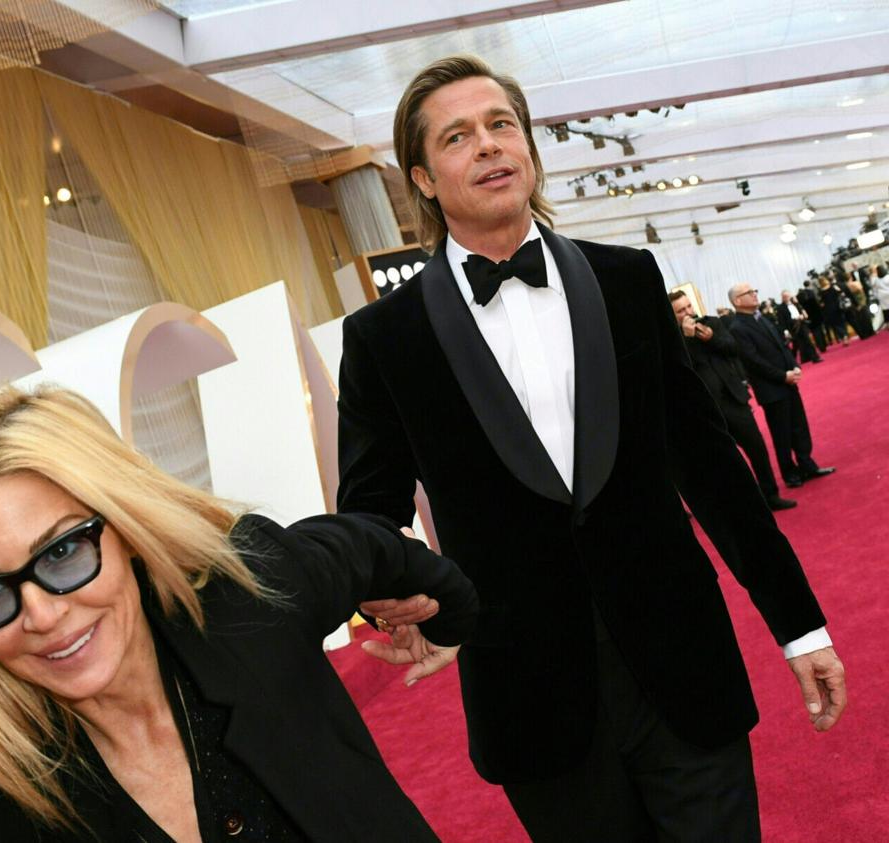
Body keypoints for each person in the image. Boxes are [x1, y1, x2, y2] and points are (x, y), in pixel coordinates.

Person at [335, 54, 845, 842]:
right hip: (532, 696)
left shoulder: (628, 280)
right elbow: (370, 505)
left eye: (502, 124)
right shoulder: (383, 337)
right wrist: (382, 587)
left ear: (530, 147)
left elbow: (711, 468)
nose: (489, 145)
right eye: (459, 136)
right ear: (424, 180)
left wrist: (799, 624)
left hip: (682, 662)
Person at [0, 386, 478, 842]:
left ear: (129, 532)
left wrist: (446, 613)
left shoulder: (248, 597)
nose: (40, 614)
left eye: (63, 552)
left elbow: (371, 546)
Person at [669, 291, 795, 510]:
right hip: (707, 408)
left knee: (757, 449)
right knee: (724, 461)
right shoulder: (674, 340)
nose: (688, 312)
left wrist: (710, 338)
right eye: (681, 310)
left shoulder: (714, 323)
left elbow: (733, 349)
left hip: (734, 398)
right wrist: (688, 340)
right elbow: (682, 370)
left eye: (689, 306)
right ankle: (743, 504)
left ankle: (770, 495)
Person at [729, 283, 838, 491]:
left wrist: (794, 366)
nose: (754, 294)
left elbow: (781, 345)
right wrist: (782, 376)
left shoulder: (762, 318)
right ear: (737, 301)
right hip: (771, 389)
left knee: (799, 425)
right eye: (749, 293)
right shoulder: (737, 328)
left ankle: (807, 464)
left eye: (755, 291)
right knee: (782, 433)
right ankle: (790, 473)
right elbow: (753, 361)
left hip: (787, 381)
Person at [776, 290, 821, 364]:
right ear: (782, 298)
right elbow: (781, 321)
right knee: (798, 344)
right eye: (784, 296)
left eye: (787, 296)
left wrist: (802, 316)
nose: (786, 297)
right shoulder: (780, 308)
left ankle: (815, 357)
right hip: (792, 327)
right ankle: (803, 359)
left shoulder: (796, 304)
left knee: (808, 341)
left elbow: (803, 313)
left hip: (802, 324)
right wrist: (786, 331)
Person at [819, 275, 850, 347]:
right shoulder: (833, 286)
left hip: (829, 310)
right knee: (842, 322)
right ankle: (845, 335)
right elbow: (841, 292)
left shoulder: (821, 292)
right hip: (838, 307)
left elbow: (821, 304)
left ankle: (843, 336)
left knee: (835, 325)